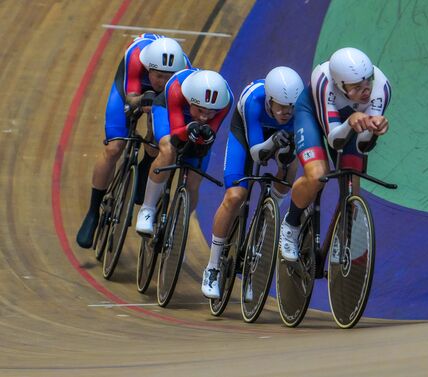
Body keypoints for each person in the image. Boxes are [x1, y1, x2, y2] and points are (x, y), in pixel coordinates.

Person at [76, 34, 191, 248]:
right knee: (114, 147)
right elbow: (130, 99)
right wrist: (143, 101)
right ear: (148, 68)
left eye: (169, 77)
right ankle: (93, 211)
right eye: (158, 76)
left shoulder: (185, 73)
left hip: (164, 100)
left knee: (159, 139)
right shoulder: (137, 57)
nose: (163, 82)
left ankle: (146, 164)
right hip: (132, 90)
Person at [279, 47, 392, 262]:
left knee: (352, 186)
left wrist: (374, 131)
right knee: (317, 174)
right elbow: (334, 139)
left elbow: (363, 146)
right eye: (357, 87)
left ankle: (342, 235)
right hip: (313, 114)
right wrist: (351, 121)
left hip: (350, 122)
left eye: (368, 81)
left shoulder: (382, 88)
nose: (366, 90)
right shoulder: (324, 82)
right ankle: (291, 223)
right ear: (340, 85)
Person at [200, 66, 304, 299]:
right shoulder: (253, 101)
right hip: (248, 136)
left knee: (291, 164)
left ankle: (271, 214)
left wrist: (288, 151)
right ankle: (213, 267)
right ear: (269, 99)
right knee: (235, 196)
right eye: (280, 105)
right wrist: (274, 141)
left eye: (290, 106)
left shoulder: (299, 108)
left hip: (277, 139)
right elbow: (257, 154)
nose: (286, 112)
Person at [135, 68, 233, 236]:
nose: (204, 117)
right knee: (168, 149)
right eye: (200, 111)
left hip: (189, 122)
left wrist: (204, 137)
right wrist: (188, 129)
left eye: (209, 113)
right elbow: (175, 134)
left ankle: (178, 229)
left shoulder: (225, 101)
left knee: (194, 180)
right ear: (190, 101)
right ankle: (147, 209)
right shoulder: (176, 88)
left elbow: (210, 132)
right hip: (168, 112)